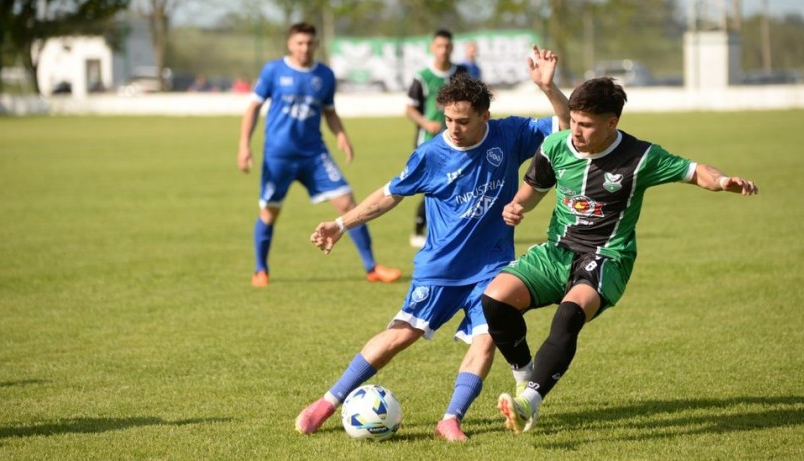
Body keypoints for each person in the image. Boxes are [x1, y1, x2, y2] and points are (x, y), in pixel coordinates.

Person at [295, 45, 571, 442]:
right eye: (448, 119)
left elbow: (564, 126)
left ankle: (450, 419)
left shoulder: (510, 134)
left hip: (492, 267)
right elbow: (389, 195)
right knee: (400, 334)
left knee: (486, 340)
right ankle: (327, 402)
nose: (453, 128)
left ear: (484, 116)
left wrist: (548, 88)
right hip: (440, 268)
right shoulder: (430, 154)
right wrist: (341, 223)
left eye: (462, 121)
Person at [480, 77, 759, 434]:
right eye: (573, 120)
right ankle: (525, 378)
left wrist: (721, 182)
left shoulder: (640, 157)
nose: (575, 130)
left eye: (586, 124)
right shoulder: (554, 146)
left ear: (611, 123)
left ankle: (528, 403)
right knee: (495, 300)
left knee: (569, 315)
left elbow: (694, 171)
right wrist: (517, 206)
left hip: (607, 256)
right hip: (558, 251)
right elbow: (532, 191)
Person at [237, 22, 401, 287]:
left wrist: (341, 135)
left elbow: (329, 111)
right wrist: (244, 145)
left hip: (314, 156)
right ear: (290, 44)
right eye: (299, 43)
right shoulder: (273, 71)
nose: (304, 48)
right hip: (278, 157)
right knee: (269, 213)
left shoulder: (324, 75)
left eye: (309, 43)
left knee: (348, 204)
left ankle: (372, 267)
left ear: (316, 44)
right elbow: (253, 108)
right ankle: (260, 270)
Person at [405, 29, 469, 248]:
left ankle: (451, 230)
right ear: (432, 48)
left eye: (447, 46)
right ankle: (419, 227)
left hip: (458, 138)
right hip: (429, 140)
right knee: (436, 185)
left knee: (459, 183)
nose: (443, 50)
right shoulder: (423, 77)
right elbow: (409, 109)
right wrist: (426, 123)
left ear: (452, 48)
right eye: (439, 46)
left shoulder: (461, 73)